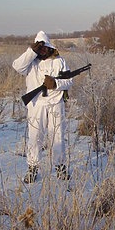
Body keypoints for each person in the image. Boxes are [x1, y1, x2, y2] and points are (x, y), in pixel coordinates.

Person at [12, 31, 73, 183]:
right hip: (36, 104)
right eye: (39, 48)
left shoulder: (59, 61)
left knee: (57, 136)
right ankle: (32, 169)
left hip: (55, 103)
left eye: (44, 47)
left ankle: (60, 168)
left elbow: (69, 81)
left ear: (49, 47)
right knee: (35, 137)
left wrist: (56, 84)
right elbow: (17, 66)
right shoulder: (30, 63)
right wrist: (31, 51)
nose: (42, 50)